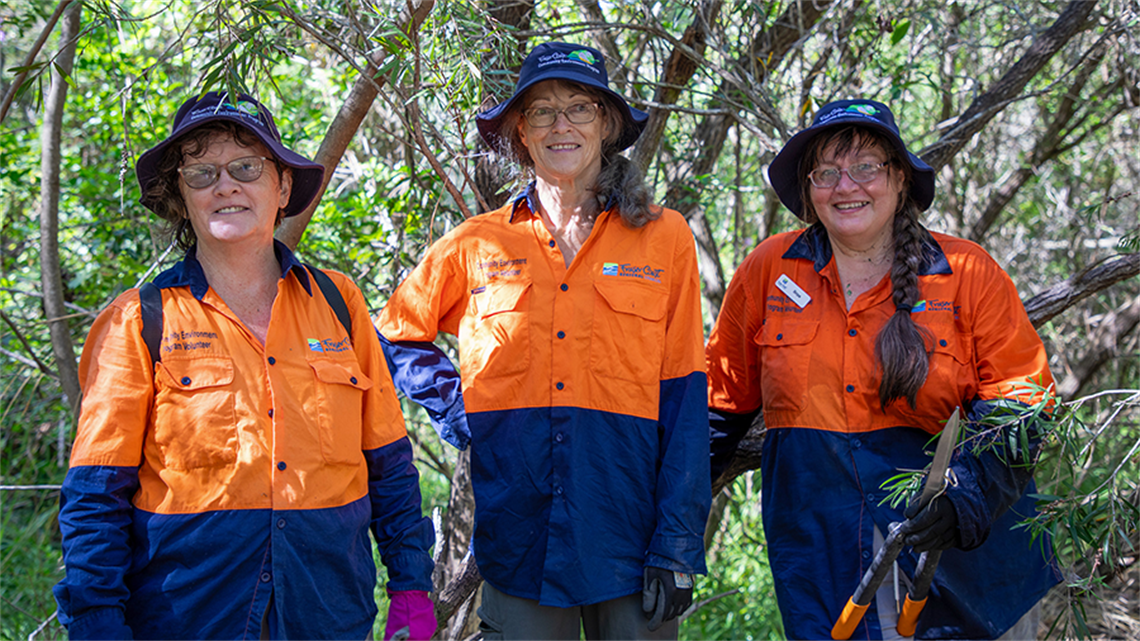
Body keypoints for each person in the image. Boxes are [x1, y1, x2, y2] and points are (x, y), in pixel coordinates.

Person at [53, 91, 437, 641]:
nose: (225, 185)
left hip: (328, 612)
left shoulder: (339, 304)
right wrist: (95, 624)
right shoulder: (138, 320)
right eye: (202, 173)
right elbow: (94, 497)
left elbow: (390, 468)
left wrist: (412, 588)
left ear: (282, 187)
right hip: (186, 616)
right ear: (181, 197)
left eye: (246, 167)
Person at [374, 42, 709, 640]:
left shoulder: (665, 238)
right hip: (520, 533)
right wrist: (461, 412)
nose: (562, 125)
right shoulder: (478, 243)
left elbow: (685, 397)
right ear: (520, 133)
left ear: (605, 126)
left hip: (629, 537)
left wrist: (679, 543)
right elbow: (393, 335)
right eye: (542, 111)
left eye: (579, 108)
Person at [705, 99, 1060, 640]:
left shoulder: (966, 273)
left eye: (866, 167)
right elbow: (717, 406)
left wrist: (967, 493)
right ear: (808, 188)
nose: (846, 186)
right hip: (820, 542)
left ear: (898, 179)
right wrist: (663, 521)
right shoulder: (768, 270)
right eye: (827, 172)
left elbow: (1024, 398)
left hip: (963, 556)